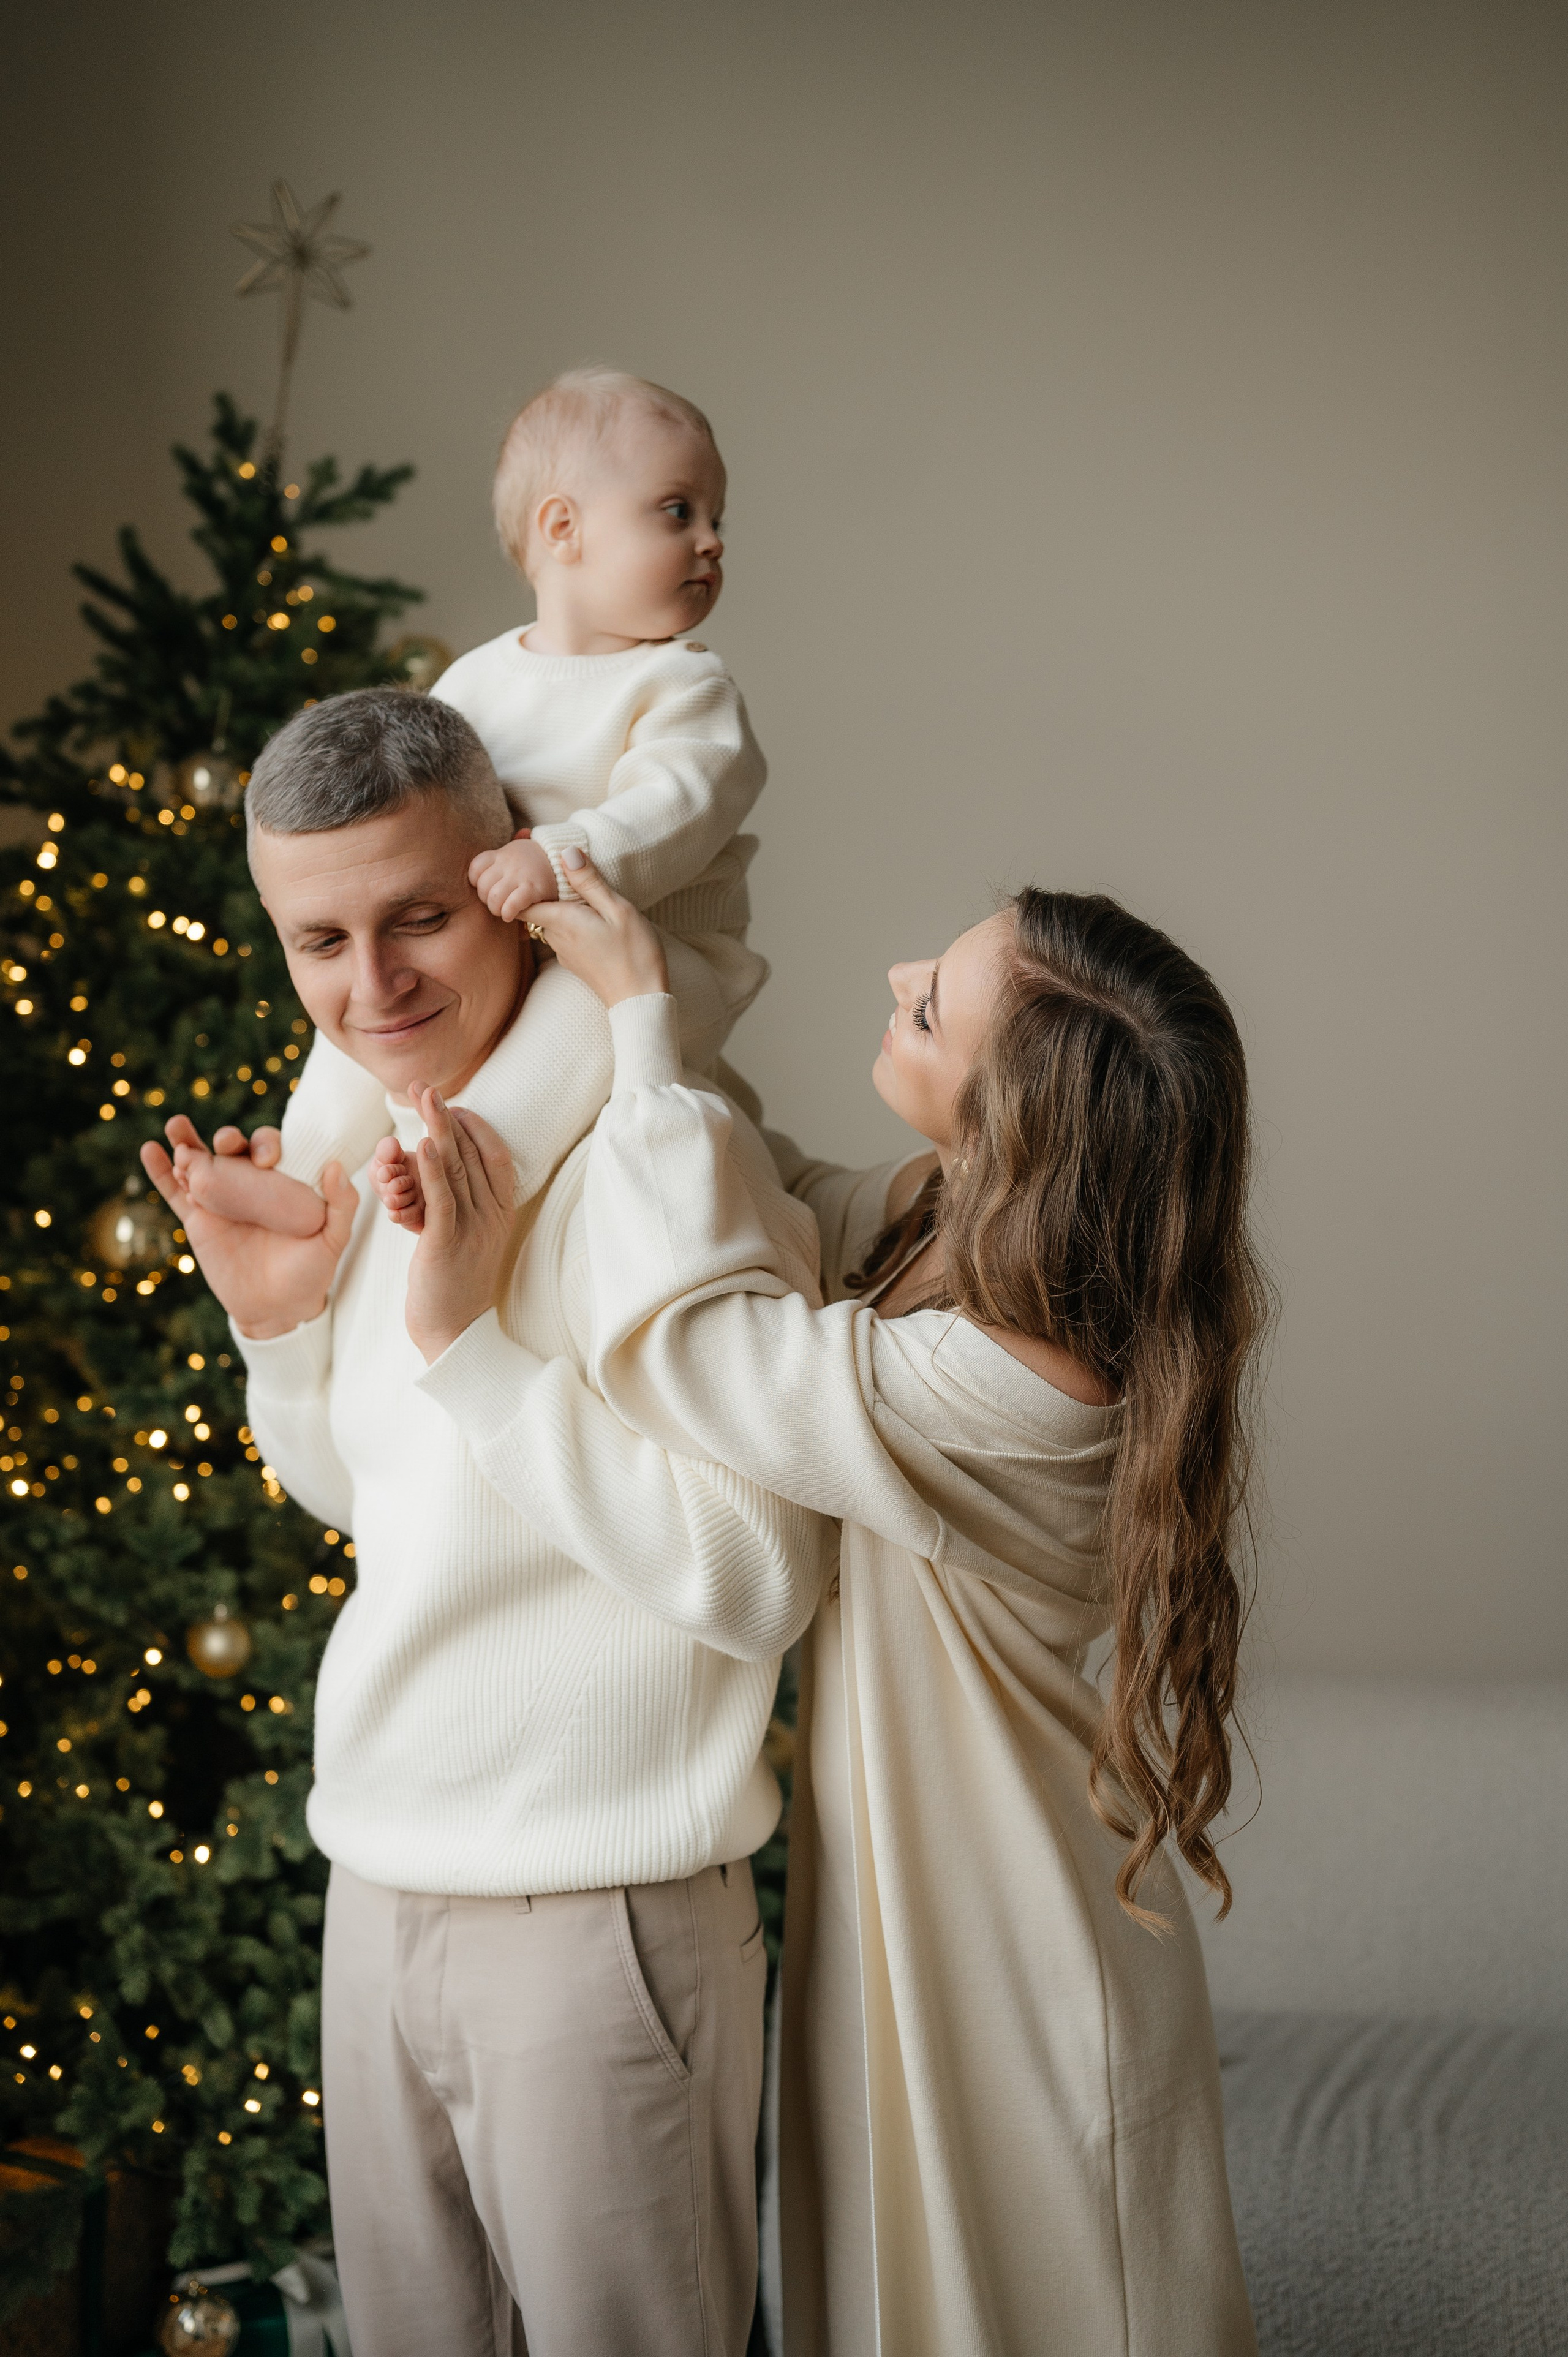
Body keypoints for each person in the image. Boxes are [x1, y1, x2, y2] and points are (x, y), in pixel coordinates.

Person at [404, 846, 1270, 2356]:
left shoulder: (1012, 1386)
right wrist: (634, 1012)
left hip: (1006, 1941)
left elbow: (707, 1347)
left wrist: (646, 1019)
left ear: (1011, 1128)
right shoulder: (956, 1224)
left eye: (928, 1008)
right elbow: (779, 1204)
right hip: (936, 1909)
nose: (893, 980)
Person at [141, 688, 830, 2357]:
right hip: (380, 1888)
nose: (370, 987)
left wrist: (465, 1339)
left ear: (512, 877)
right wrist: (277, 1326)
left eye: (419, 918)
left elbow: (759, 1577)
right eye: (319, 941)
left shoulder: (669, 1160)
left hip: (603, 1915)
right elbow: (371, 1499)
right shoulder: (387, 1152)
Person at [190, 365, 767, 1235]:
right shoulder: (477, 679)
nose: (712, 541)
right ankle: (301, 1178)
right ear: (562, 527)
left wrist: (558, 858)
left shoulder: (685, 686)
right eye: (679, 511)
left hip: (648, 959)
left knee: (579, 1014)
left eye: (717, 519)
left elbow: (681, 808)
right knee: (364, 1021)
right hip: (517, 951)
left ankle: (475, 1169)